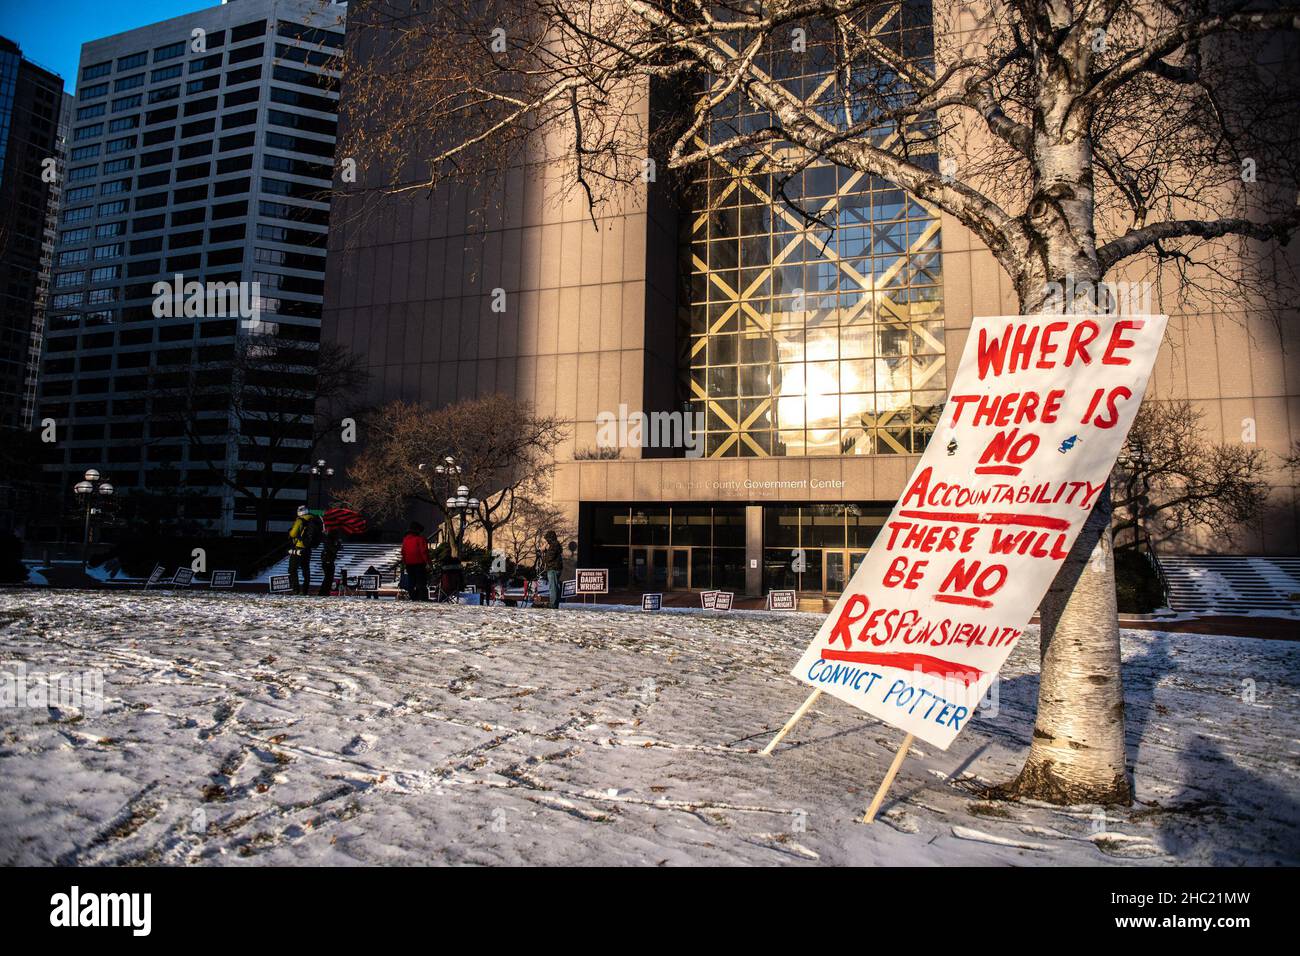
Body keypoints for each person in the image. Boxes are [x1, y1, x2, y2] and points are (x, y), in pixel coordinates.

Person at [287, 505, 321, 595]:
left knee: (292, 569)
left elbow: (293, 534)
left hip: (299, 547)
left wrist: (291, 531)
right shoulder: (313, 519)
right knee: (306, 569)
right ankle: (305, 590)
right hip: (308, 549)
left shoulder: (300, 520)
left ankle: (296, 589)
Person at [401, 521, 431, 601]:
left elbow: (403, 552)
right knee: (421, 581)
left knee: (411, 581)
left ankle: (413, 597)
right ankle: (422, 597)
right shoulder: (420, 539)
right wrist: (428, 562)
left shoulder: (405, 540)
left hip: (409, 563)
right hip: (419, 563)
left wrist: (404, 562)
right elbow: (424, 552)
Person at [541, 530, 564, 609]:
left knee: (553, 587)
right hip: (556, 568)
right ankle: (555, 604)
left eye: (547, 539)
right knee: (555, 587)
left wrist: (544, 551)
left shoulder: (554, 545)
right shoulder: (555, 545)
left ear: (550, 538)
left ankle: (553, 604)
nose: (546, 541)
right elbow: (552, 554)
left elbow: (550, 557)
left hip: (553, 569)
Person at [318, 529, 342, 597]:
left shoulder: (330, 540)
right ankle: (323, 592)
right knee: (328, 577)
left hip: (329, 560)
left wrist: (338, 545)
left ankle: (325, 592)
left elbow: (338, 548)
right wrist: (338, 544)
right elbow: (334, 549)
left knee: (329, 578)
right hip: (327, 560)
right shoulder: (329, 540)